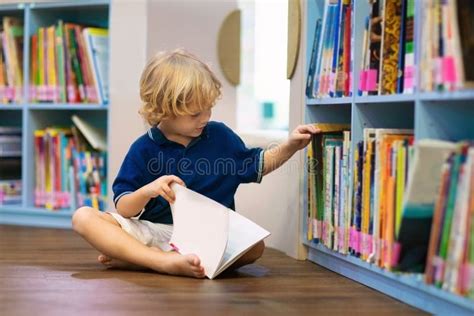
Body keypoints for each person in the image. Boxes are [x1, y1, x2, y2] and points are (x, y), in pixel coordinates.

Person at [72, 49, 319, 278]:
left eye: (208, 109)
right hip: (155, 231)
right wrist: (149, 190)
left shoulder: (220, 136)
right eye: (195, 114)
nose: (205, 118)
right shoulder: (143, 148)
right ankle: (159, 261)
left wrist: (290, 146)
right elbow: (124, 208)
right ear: (163, 110)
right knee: (83, 217)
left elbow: (258, 164)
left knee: (255, 248)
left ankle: (141, 260)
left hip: (207, 236)